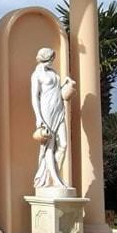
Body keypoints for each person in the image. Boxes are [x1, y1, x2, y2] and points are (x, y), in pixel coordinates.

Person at [30, 47, 75, 190]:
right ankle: (55, 180)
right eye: (51, 58)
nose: (52, 61)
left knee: (63, 144)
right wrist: (38, 117)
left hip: (59, 111)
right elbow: (34, 98)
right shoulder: (36, 75)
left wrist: (68, 85)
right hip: (46, 112)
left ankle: (52, 175)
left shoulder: (54, 73)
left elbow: (59, 93)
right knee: (48, 146)